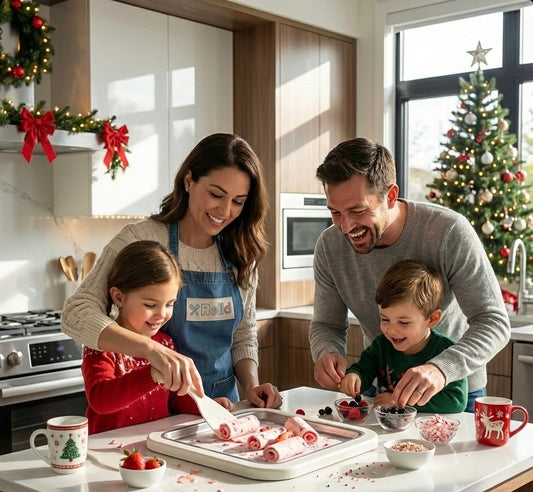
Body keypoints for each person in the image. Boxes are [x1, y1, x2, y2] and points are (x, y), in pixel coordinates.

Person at [63, 133, 282, 409]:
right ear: (189, 181)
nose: (225, 210)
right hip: (153, 415)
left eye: (238, 201)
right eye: (216, 194)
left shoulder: (241, 252)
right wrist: (153, 351)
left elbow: (243, 334)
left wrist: (251, 386)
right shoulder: (140, 238)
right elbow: (76, 313)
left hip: (222, 411)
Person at [310, 137, 510, 413]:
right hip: (381, 389)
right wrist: (327, 353)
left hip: (452, 392)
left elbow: (494, 322)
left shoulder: (448, 231)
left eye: (358, 210)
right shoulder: (330, 246)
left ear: (390, 196)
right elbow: (326, 324)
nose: (345, 226)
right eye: (335, 212)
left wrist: (441, 369)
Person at [82, 241, 215, 434]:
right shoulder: (101, 344)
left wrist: (206, 407)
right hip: (104, 449)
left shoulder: (165, 342)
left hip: (152, 446)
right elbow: (100, 400)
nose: (162, 314)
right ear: (118, 297)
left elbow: (175, 397)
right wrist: (151, 375)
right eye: (150, 305)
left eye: (169, 304)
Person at [339, 260, 467, 413]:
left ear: (432, 319)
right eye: (385, 319)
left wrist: (398, 401)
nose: (392, 330)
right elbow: (364, 369)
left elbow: (456, 401)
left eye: (404, 322)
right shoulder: (381, 346)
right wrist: (354, 377)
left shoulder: (446, 351)